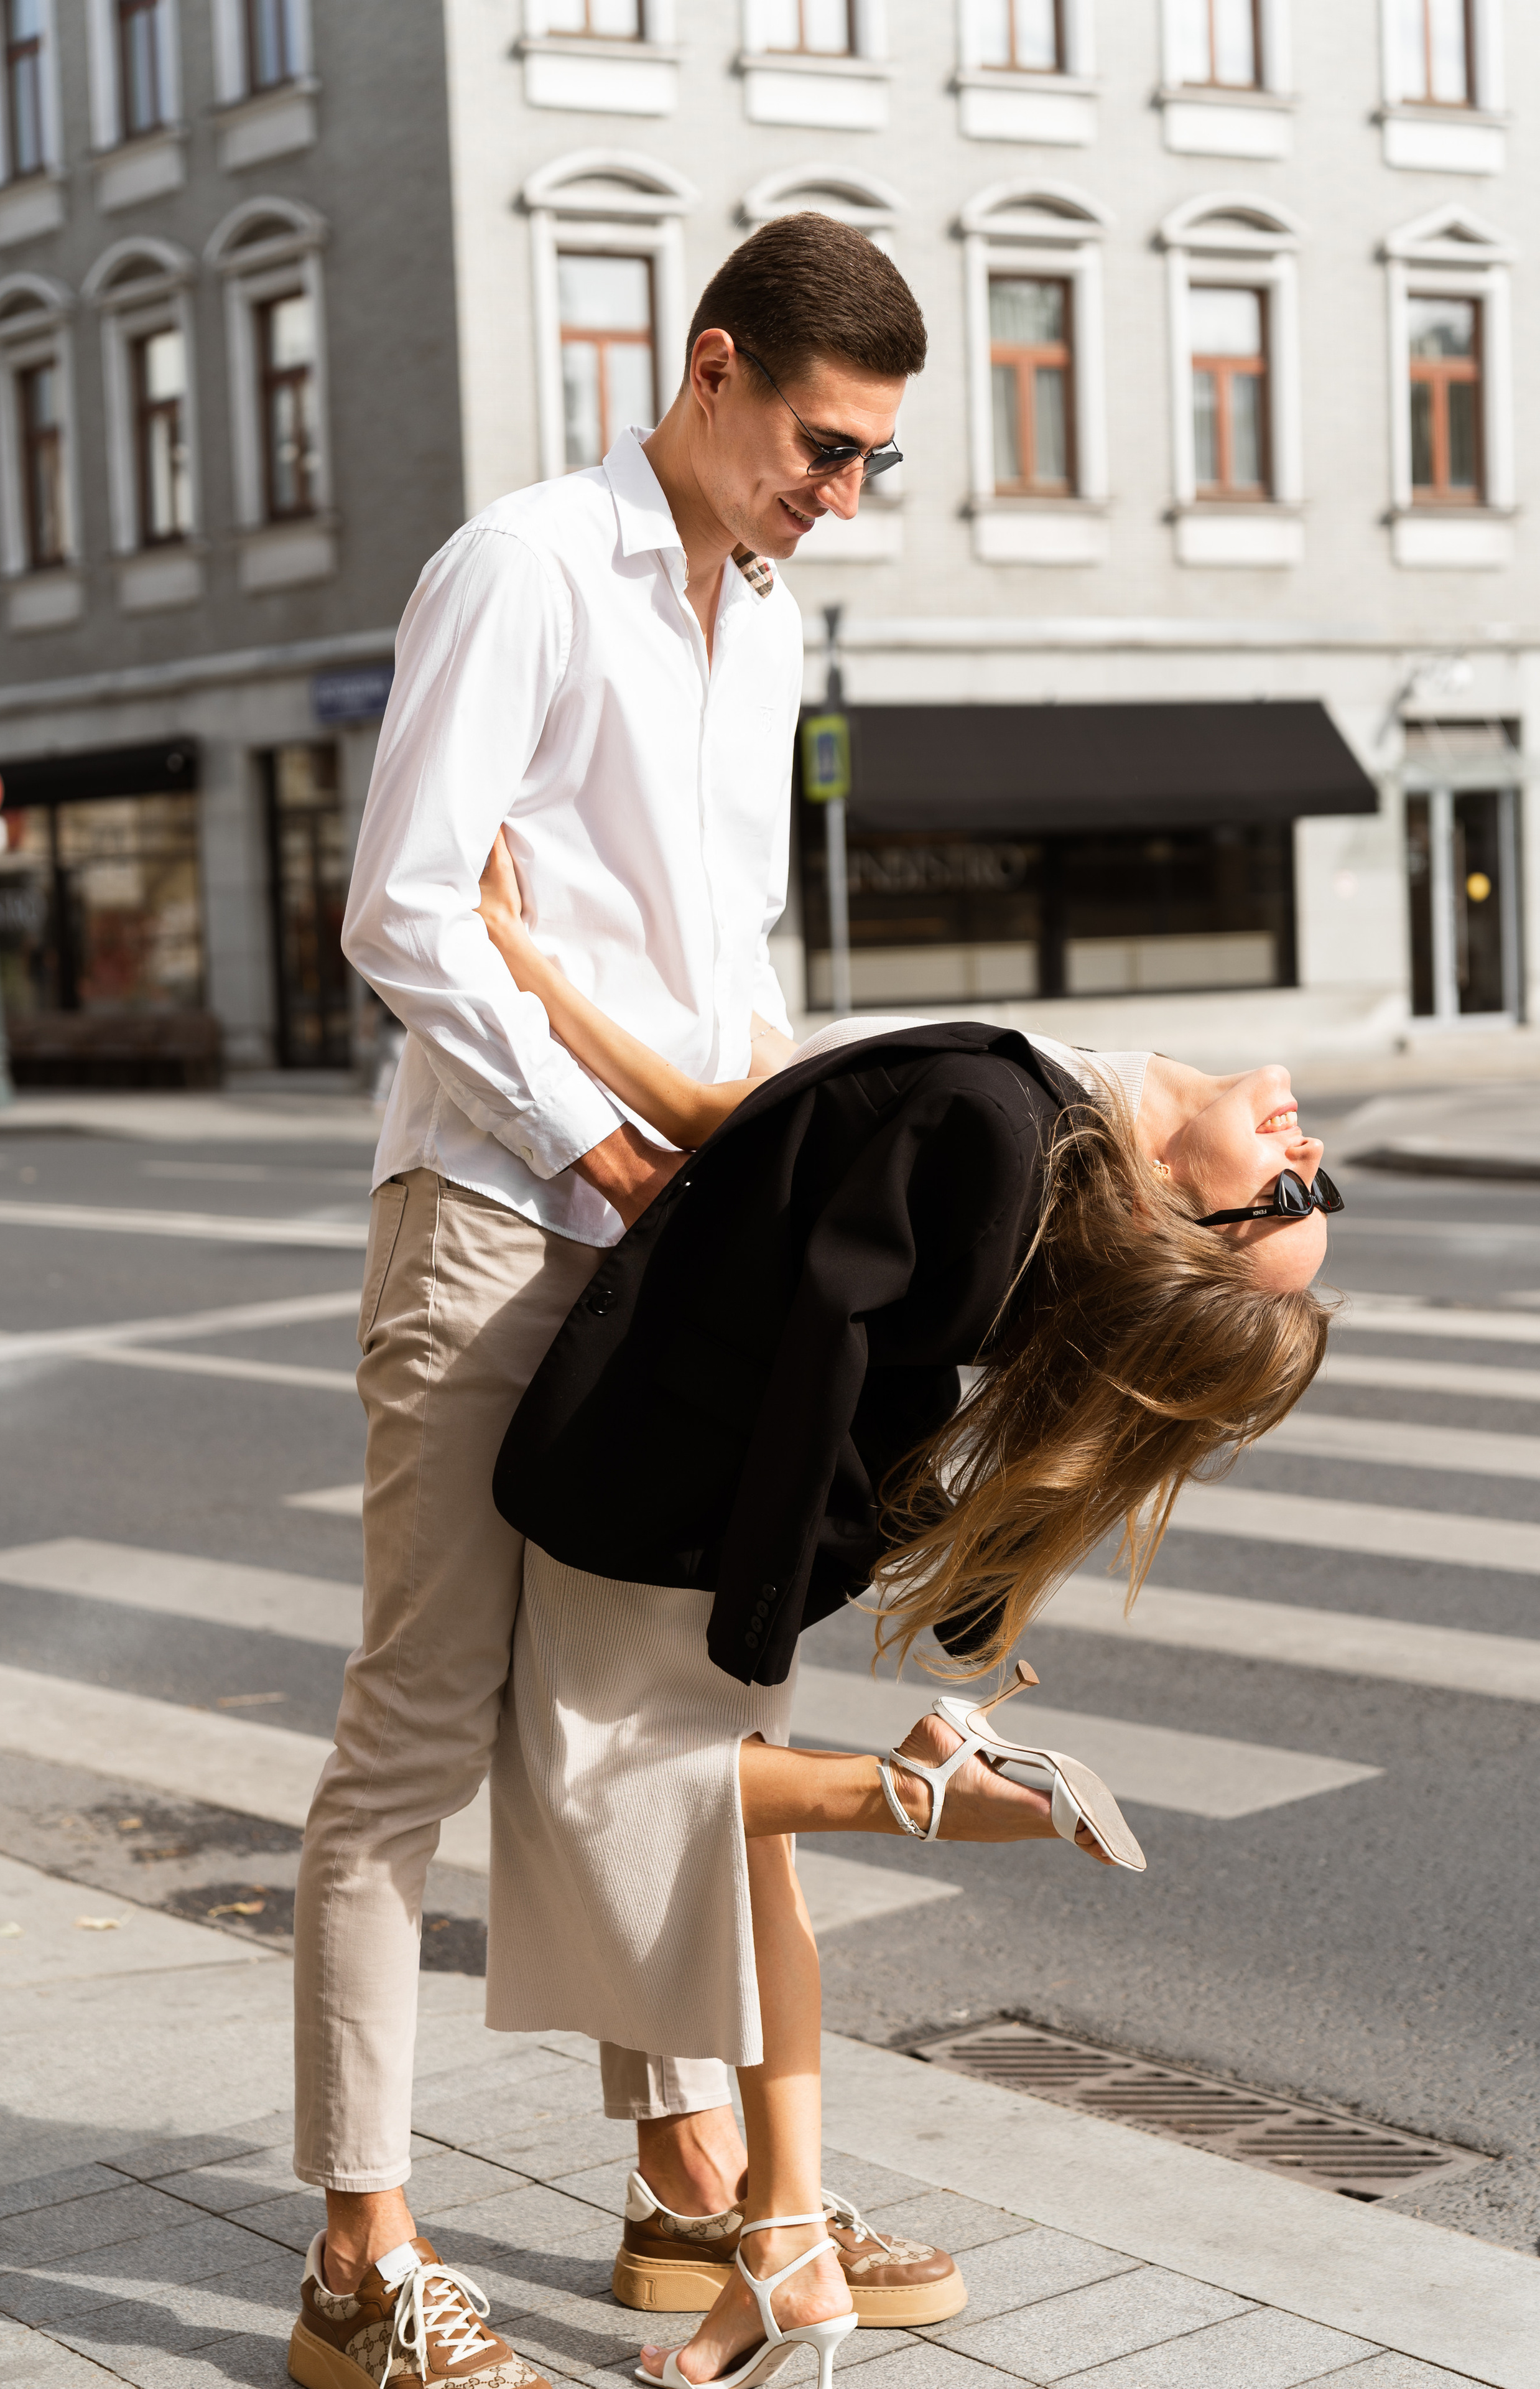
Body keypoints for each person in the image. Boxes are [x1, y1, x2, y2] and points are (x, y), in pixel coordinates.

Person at [286, 213, 944, 2389]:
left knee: (646, 1734)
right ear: (714, 364)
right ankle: (363, 2259)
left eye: (866, 468)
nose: (833, 496)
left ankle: (686, 2191)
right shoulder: (524, 568)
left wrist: (761, 1160)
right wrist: (591, 1139)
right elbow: (404, 908)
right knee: (415, 1729)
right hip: (499, 1218)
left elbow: (715, 962)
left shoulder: (755, 618)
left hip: (672, 1241)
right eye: (822, 447)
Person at [468, 832, 1336, 2387]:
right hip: (721, 1521)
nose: (1299, 1150)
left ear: (1180, 1219)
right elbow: (744, 1132)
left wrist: (523, 971)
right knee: (753, 1871)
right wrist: (544, 974)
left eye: (1283, 1194)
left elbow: (744, 1187)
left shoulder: (998, 1117)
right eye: (1310, 1184)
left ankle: (910, 1783)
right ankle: (786, 2236)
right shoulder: (1038, 1111)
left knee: (599, 1802)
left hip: (663, 1503)